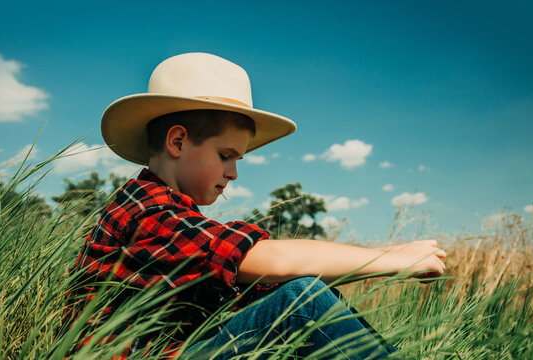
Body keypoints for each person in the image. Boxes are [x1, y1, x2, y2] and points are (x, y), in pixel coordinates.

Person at [66, 52, 446, 359]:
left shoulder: (161, 208)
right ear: (178, 142)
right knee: (302, 300)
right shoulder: (149, 212)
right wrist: (392, 258)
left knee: (295, 290)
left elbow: (256, 283)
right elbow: (274, 261)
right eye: (226, 155)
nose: (233, 173)